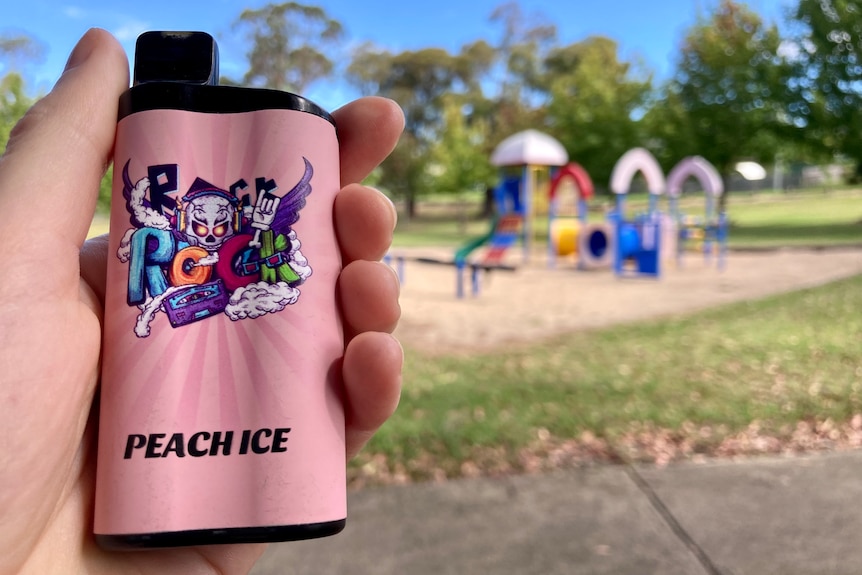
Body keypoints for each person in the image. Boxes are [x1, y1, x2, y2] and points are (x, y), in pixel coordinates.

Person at [0, 28, 403, 574]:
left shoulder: (254, 241)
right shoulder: (162, 239)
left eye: (222, 220)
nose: (212, 230)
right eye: (201, 220)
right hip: (111, 498)